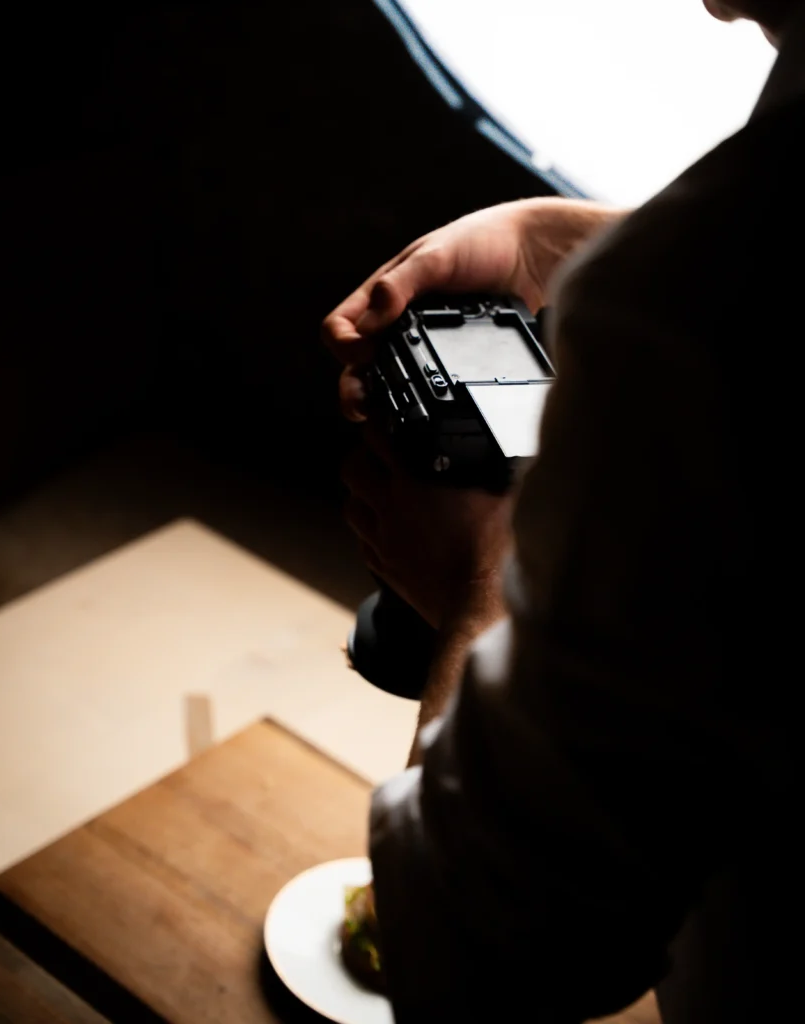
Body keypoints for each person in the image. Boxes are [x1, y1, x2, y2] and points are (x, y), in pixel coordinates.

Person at [322, 1, 802, 1020]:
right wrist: (566, 245)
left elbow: (480, 954)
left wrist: (480, 585)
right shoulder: (717, 264)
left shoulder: (694, 299)